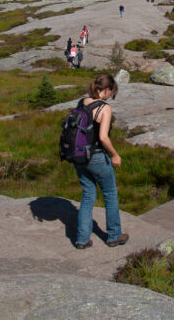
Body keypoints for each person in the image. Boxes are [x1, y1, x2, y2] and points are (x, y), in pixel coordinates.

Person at [73, 74, 128, 249]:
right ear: (106, 90)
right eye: (111, 91)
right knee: (110, 194)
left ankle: (82, 239)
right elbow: (103, 137)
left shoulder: (82, 102)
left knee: (88, 195)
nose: (111, 95)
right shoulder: (104, 108)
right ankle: (114, 235)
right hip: (96, 155)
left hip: (79, 156)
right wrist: (114, 154)